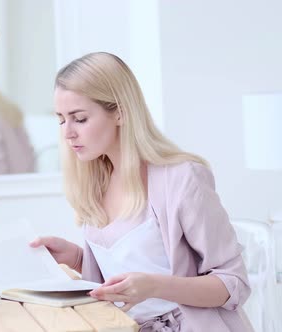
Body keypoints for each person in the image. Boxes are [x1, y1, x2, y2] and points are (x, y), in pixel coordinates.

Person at [29, 52, 252, 331]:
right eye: (61, 119)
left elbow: (234, 283)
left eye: (80, 118)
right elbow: (129, 269)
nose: (68, 133)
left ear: (120, 112)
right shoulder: (96, 183)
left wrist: (155, 286)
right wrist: (76, 258)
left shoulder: (182, 178)